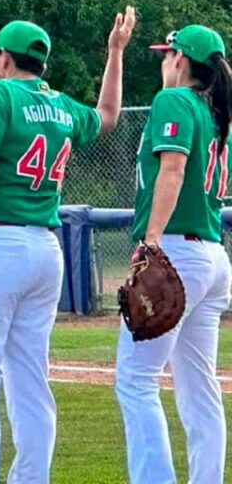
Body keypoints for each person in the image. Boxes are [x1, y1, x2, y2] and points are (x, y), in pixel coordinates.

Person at [0, 10, 136, 483]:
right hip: (43, 249)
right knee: (29, 380)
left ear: (3, 57)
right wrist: (115, 53)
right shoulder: (60, 106)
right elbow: (109, 116)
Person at [116, 25, 232, 484]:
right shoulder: (218, 112)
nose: (164, 61)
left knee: (136, 380)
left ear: (181, 61)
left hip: (178, 251)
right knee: (199, 387)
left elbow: (173, 168)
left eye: (168, 54)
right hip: (211, 256)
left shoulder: (175, 101)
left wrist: (151, 239)